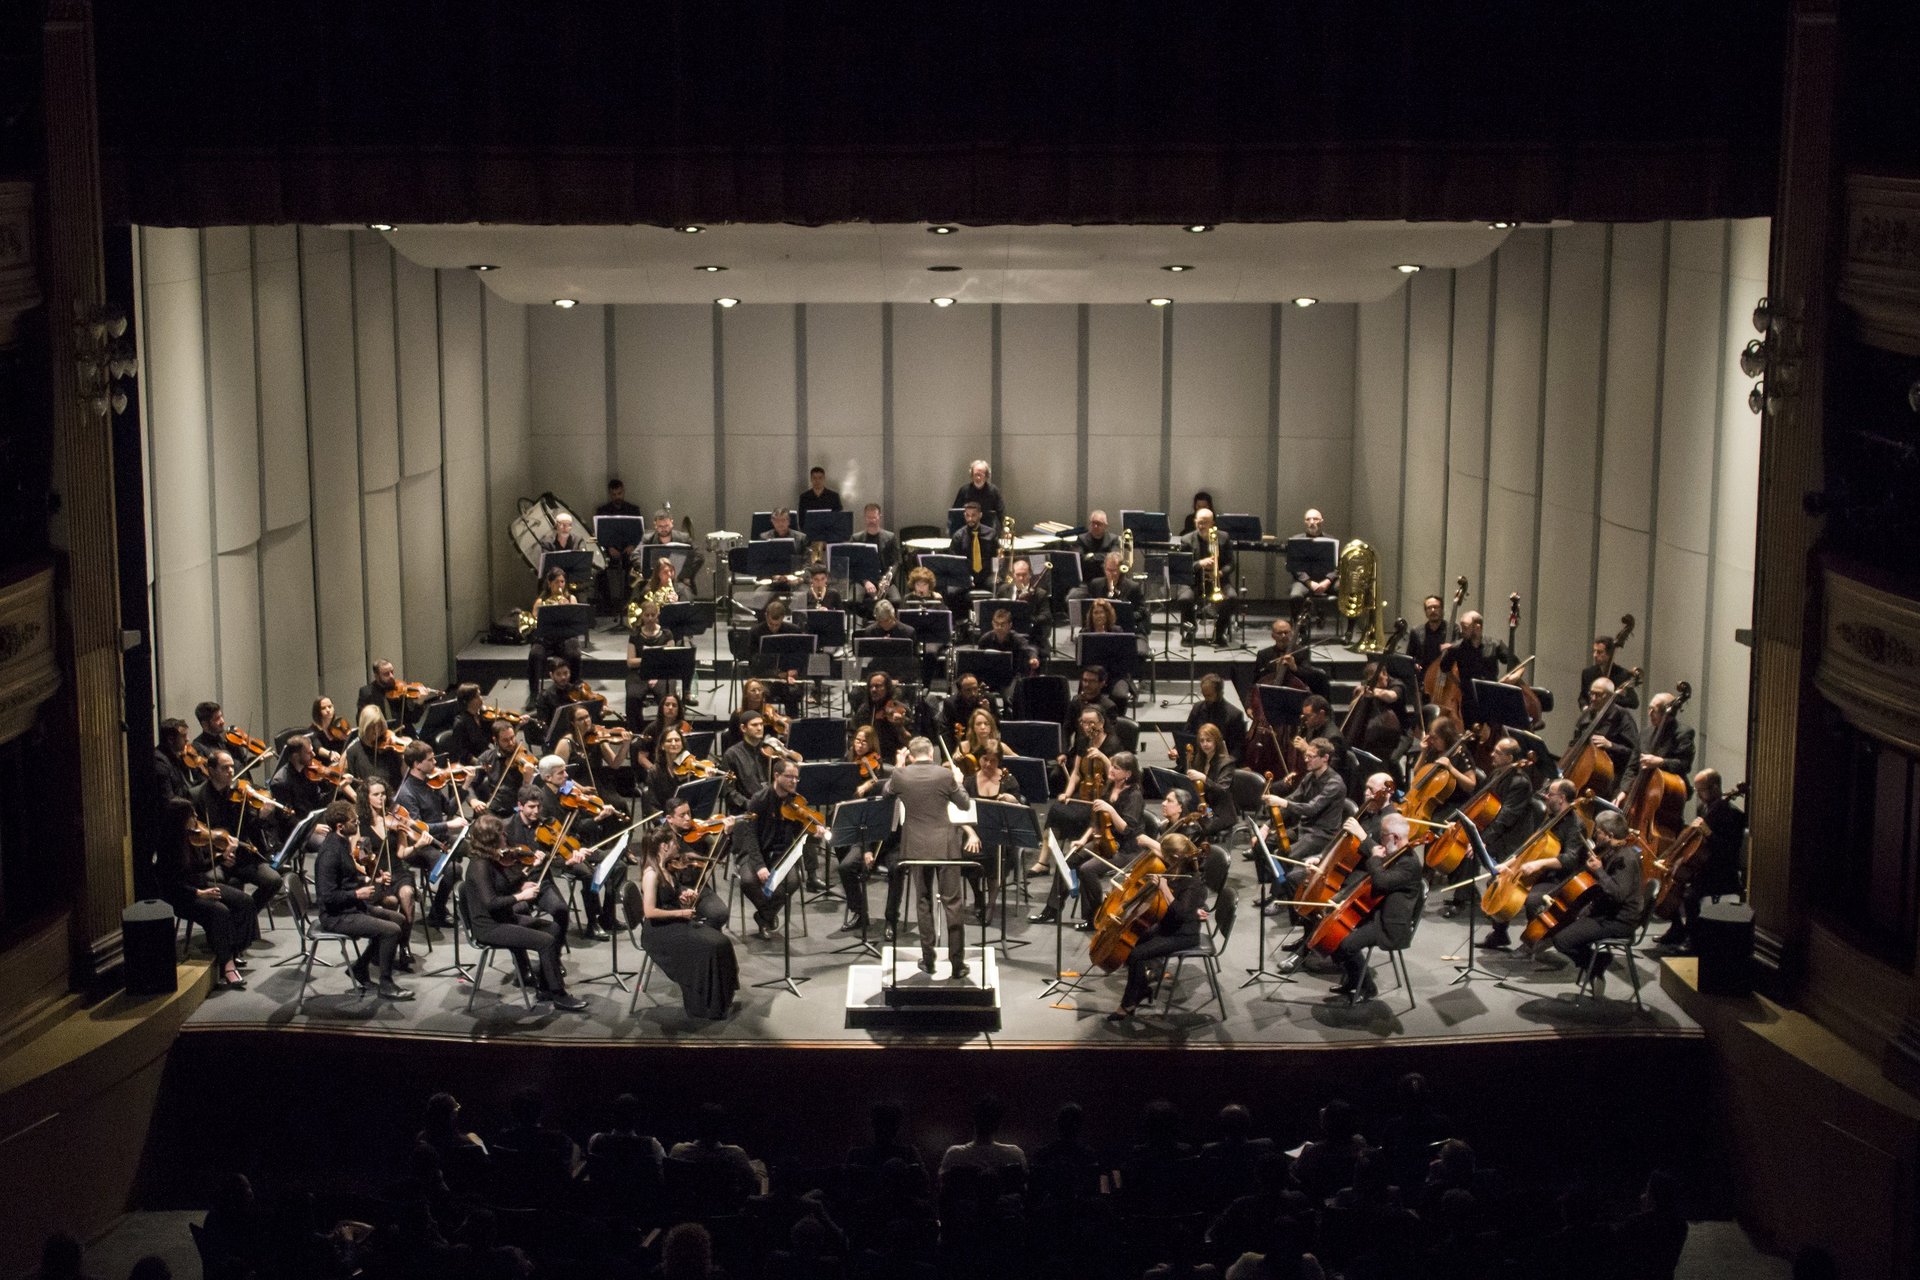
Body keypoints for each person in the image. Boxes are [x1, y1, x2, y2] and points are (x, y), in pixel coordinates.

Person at [461, 813, 587, 1010]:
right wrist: (521, 896)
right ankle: (559, 995)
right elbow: (491, 902)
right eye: (501, 834)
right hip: (489, 927)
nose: (505, 836)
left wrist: (522, 881)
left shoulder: (492, 859)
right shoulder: (480, 866)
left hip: (503, 918)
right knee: (546, 942)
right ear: (491, 839)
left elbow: (503, 885)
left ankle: (545, 986)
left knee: (553, 929)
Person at [886, 736, 971, 976]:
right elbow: (964, 804)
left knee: (923, 902)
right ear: (932, 754)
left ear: (912, 756)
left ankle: (928, 960)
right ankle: (957, 964)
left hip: (916, 846)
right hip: (945, 845)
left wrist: (898, 766)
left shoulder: (901, 775)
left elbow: (885, 793)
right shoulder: (945, 775)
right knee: (952, 903)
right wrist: (959, 782)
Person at [312, 800, 414, 1000]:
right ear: (340, 826)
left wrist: (372, 880)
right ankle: (386, 984)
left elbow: (346, 878)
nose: (358, 823)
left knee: (399, 920)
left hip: (351, 907)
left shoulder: (342, 843)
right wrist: (357, 894)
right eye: (353, 821)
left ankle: (360, 966)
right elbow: (327, 896)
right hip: (336, 916)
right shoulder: (330, 853)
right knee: (391, 930)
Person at [636, 827, 739, 1019]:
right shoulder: (651, 874)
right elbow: (649, 912)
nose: (678, 846)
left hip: (674, 922)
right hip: (659, 931)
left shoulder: (667, 868)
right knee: (711, 946)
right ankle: (704, 1004)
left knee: (722, 942)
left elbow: (669, 897)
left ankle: (720, 999)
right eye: (674, 843)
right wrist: (681, 912)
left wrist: (683, 895)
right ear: (664, 846)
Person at [1107, 834, 1210, 1021]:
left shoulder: (1192, 881)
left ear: (1175, 857)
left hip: (1183, 935)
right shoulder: (1176, 870)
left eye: (1166, 856)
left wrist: (1164, 888)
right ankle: (1141, 988)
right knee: (1131, 943)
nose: (1164, 859)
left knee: (1136, 954)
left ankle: (1129, 1002)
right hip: (1168, 926)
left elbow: (1181, 913)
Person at [155, 796, 253, 989]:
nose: (196, 818)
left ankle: (234, 949)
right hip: (183, 896)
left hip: (200, 886)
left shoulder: (190, 838)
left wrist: (221, 857)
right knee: (220, 911)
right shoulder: (167, 846)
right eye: (192, 815)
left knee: (244, 901)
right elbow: (170, 884)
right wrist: (199, 893)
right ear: (180, 819)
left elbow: (199, 866)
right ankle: (227, 966)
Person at [1483, 777, 1588, 950]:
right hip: (1538, 872)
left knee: (1533, 900)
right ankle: (1499, 934)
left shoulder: (1576, 825)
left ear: (1561, 798)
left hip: (1558, 878)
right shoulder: (1552, 817)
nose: (1546, 796)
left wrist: (1540, 864)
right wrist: (1508, 864)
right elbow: (1530, 846)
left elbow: (1571, 859)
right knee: (1496, 881)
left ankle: (1533, 942)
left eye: (1550, 794)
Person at [1549, 809, 1646, 996]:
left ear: (1610, 835)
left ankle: (1598, 962)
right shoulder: (1611, 852)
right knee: (1561, 927)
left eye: (1598, 832)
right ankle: (1594, 960)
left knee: (1562, 940)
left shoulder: (1626, 859)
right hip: (1606, 913)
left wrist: (1599, 871)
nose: (1595, 836)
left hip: (1618, 921)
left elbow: (1618, 894)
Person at [1327, 813, 1421, 1001]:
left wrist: (1375, 858)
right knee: (1333, 932)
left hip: (1391, 924)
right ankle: (1354, 980)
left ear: (1395, 837)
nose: (1380, 840)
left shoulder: (1409, 863)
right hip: (1377, 913)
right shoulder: (1396, 853)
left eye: (1383, 836)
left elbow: (1381, 882)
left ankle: (1367, 987)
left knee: (1345, 945)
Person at [1655, 769, 1747, 952]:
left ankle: (1693, 939)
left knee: (1690, 896)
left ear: (1715, 788)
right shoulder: (1705, 808)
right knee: (1667, 885)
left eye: (1701, 790)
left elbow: (1728, 851)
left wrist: (1709, 833)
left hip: (1721, 871)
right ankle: (1677, 929)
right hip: (1703, 866)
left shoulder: (1733, 815)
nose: (1698, 795)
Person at [1262, 737, 1347, 919]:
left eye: (1311, 756)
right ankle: (1277, 891)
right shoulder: (1309, 777)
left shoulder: (1335, 783)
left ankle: (1282, 898)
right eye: (1306, 756)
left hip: (1322, 834)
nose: (1306, 760)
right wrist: (1267, 825)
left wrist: (1282, 802)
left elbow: (1311, 808)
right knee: (1269, 844)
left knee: (1286, 855)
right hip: (1304, 828)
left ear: (1325, 758)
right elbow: (1294, 798)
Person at [733, 756, 810, 936]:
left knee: (792, 881)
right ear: (776, 776)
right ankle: (768, 914)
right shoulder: (759, 800)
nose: (794, 781)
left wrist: (814, 831)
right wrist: (759, 866)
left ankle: (764, 917)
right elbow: (750, 836)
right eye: (789, 776)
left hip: (781, 854)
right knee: (748, 881)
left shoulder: (796, 802)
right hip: (755, 852)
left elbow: (800, 832)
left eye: (796, 778)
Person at [1619, 688, 1696, 803]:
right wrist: (1624, 791)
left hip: (1667, 794)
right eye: (1649, 708)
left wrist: (1661, 762)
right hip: (1642, 791)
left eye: (1654, 711)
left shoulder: (1683, 733)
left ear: (1668, 714)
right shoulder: (1645, 734)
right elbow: (1632, 766)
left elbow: (1685, 765)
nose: (1650, 714)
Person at [1174, 507, 1236, 646]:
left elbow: (1231, 564)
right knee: (1184, 599)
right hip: (1193, 581)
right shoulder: (1186, 539)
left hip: (1218, 580)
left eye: (1205, 523)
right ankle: (1190, 631)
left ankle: (1219, 633)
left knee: (1232, 597)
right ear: (1195, 521)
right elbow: (1183, 565)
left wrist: (1220, 573)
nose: (1201, 526)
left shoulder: (1224, 537)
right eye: (1199, 522)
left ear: (1212, 523)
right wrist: (1200, 563)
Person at [938, 1095, 1025, 1188]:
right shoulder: (1015, 1154)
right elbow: (1023, 1190)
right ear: (999, 1125)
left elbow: (944, 1191)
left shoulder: (954, 1155)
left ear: (973, 1120)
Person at [1568, 676, 1640, 786]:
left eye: (1598, 695)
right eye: (1591, 693)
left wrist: (1610, 745)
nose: (1593, 698)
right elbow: (1574, 742)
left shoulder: (1622, 716)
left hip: (1610, 776)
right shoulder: (1587, 714)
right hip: (1582, 769)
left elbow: (1634, 753)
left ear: (1610, 696)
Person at [595, 477, 643, 614]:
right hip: (610, 551)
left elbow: (639, 533)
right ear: (610, 494)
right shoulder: (602, 511)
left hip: (629, 551)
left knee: (635, 572)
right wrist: (609, 547)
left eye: (619, 493)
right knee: (600, 572)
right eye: (614, 494)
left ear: (624, 492)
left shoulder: (633, 510)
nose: (617, 497)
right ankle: (609, 606)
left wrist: (632, 545)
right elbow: (600, 534)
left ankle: (628, 605)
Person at [848, 503, 903, 615]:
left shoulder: (890, 537)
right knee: (853, 601)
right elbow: (853, 564)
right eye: (869, 517)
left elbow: (896, 561)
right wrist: (866, 582)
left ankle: (885, 622)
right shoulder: (856, 538)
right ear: (865, 518)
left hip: (884, 578)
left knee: (896, 600)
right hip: (863, 579)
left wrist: (887, 580)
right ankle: (868, 620)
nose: (871, 520)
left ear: (879, 517)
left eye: (874, 517)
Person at [1286, 508, 1335, 626]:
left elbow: (1337, 565)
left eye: (1315, 519)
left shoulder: (1332, 540)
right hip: (1303, 582)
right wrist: (1309, 582)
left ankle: (1349, 630)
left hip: (1327, 581)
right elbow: (1294, 566)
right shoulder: (1295, 540)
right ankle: (1299, 629)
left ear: (1322, 521)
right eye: (1308, 519)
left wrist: (1327, 581)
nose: (1312, 522)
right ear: (1305, 522)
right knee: (1295, 596)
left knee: (1349, 591)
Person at [1184, 673, 1247, 757]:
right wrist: (1176, 749)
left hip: (1221, 760)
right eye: (1204, 695)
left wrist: (1227, 761)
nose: (1206, 698)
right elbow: (1187, 734)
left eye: (1209, 695)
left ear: (1219, 693)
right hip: (1199, 757)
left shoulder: (1234, 715)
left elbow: (1239, 747)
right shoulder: (1197, 708)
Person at [1578, 633, 1640, 710]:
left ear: (1609, 654)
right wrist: (1585, 707)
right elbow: (1583, 697)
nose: (1595, 655)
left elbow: (1634, 702)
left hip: (1613, 716)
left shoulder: (1622, 674)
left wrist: (1612, 698)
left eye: (1599, 652)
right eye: (1594, 651)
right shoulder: (1588, 673)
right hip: (1592, 715)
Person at [949, 500, 999, 593]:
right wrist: (965, 577)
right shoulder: (958, 536)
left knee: (999, 587)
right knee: (951, 591)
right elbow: (954, 562)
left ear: (980, 515)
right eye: (967, 515)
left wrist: (996, 574)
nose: (970, 519)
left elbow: (996, 557)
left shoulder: (991, 534)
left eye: (973, 515)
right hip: (966, 576)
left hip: (987, 576)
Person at [1072, 510, 1120, 585]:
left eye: (1098, 524)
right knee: (1072, 593)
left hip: (1107, 581)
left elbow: (1114, 559)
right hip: (1087, 580)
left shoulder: (1113, 539)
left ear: (1105, 526)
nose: (1095, 526)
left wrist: (1091, 556)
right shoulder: (1081, 539)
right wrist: (1105, 556)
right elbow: (1079, 559)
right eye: (1093, 523)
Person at [952, 459, 1004, 526]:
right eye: (976, 474)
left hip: (989, 529)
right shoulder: (964, 490)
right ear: (972, 475)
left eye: (981, 475)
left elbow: (1001, 513)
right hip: (968, 528)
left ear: (986, 476)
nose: (978, 478)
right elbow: (955, 514)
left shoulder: (994, 491)